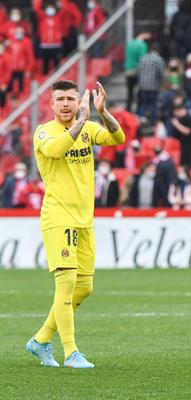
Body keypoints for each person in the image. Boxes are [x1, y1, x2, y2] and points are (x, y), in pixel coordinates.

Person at [27, 80, 125, 368]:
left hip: (84, 220)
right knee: (67, 283)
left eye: (71, 98)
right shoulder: (44, 132)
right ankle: (71, 352)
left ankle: (41, 340)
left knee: (84, 288)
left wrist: (102, 112)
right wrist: (81, 123)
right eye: (61, 99)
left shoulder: (88, 129)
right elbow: (57, 149)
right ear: (52, 104)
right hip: (58, 217)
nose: (67, 103)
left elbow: (117, 138)